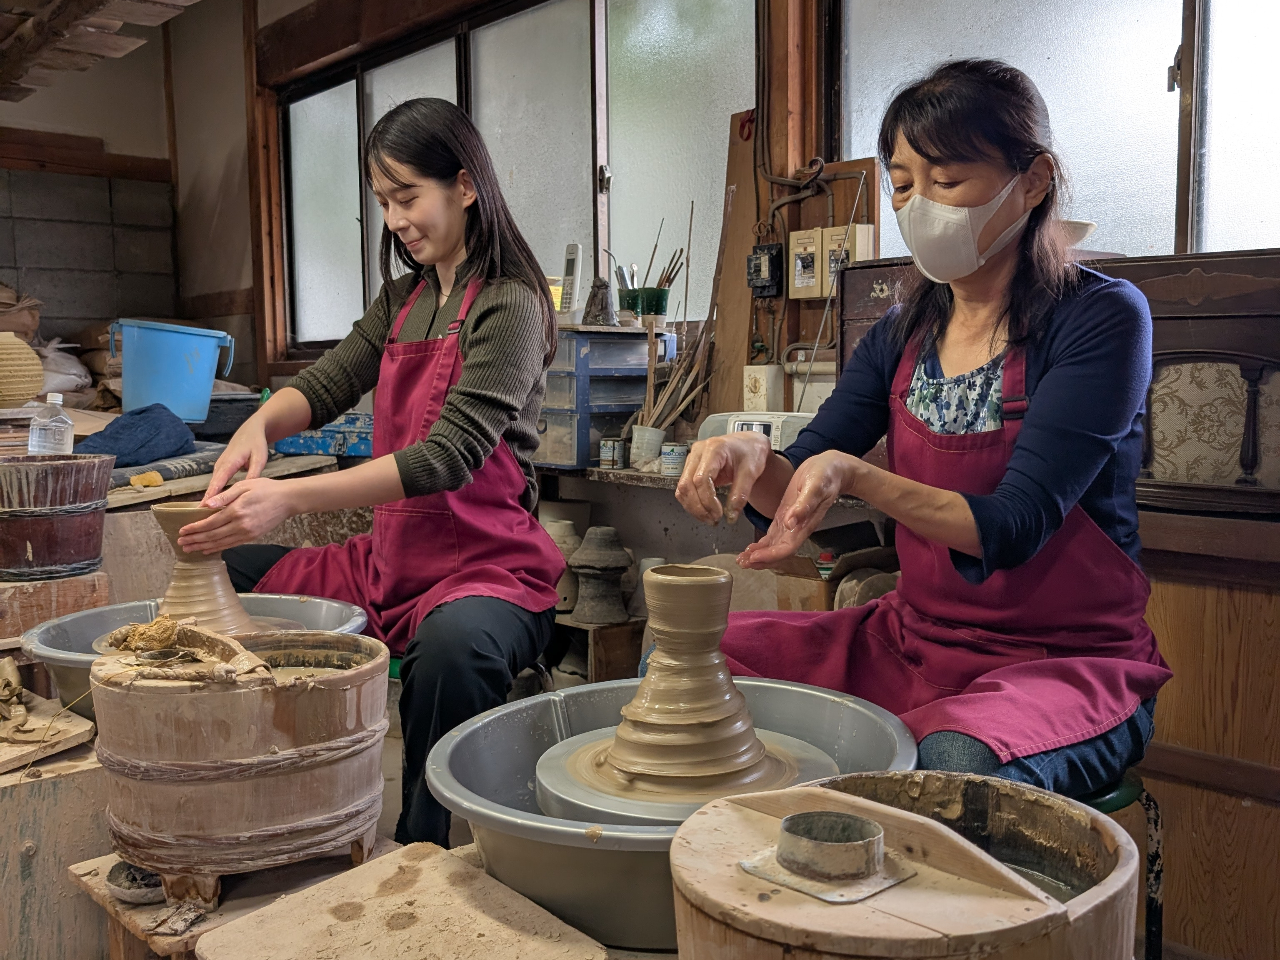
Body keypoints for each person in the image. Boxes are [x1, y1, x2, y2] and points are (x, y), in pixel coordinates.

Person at [675, 59, 1170, 797]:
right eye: (903, 185)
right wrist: (749, 456)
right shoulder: (901, 333)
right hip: (914, 641)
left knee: (950, 767)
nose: (918, 207)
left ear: (1032, 181)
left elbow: (1016, 523)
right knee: (689, 666)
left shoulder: (1100, 318)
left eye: (946, 182)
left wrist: (858, 476)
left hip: (1065, 661)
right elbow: (799, 482)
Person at [176, 98, 564, 845]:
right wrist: (258, 425)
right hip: (387, 563)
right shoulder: (405, 297)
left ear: (466, 185)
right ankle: (255, 802)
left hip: (486, 570)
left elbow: (447, 458)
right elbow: (326, 384)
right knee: (216, 568)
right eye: (383, 202)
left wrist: (287, 499)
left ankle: (425, 852)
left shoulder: (510, 307)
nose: (395, 220)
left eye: (408, 196)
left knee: (453, 651)